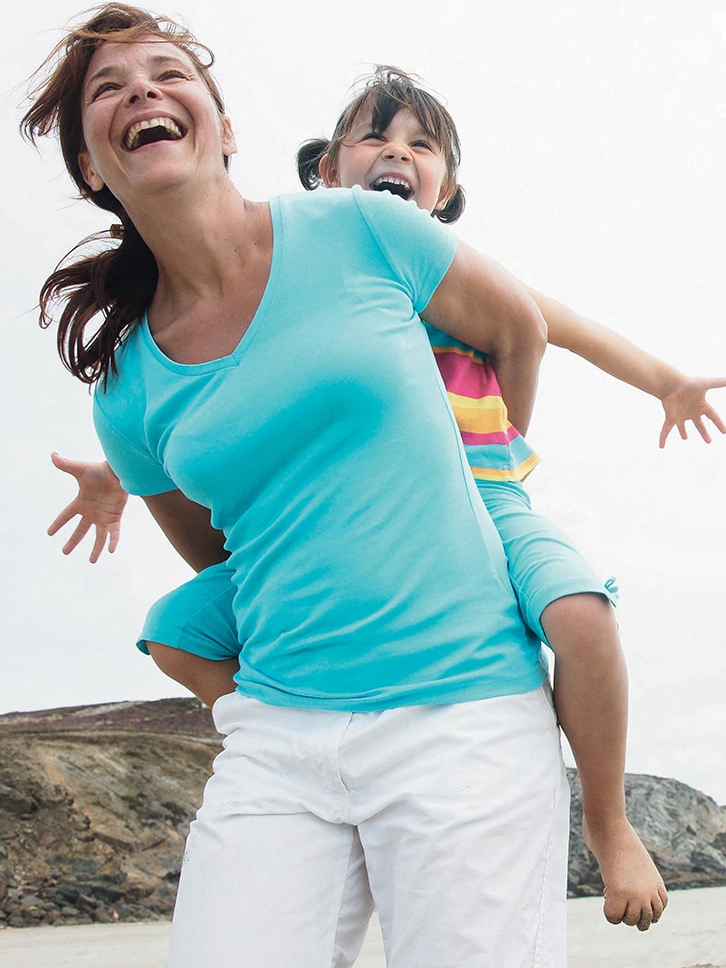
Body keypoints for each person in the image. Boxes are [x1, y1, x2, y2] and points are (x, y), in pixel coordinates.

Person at [49, 66, 726, 931]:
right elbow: (216, 415)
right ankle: (249, 715)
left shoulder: (425, 261)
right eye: (374, 139)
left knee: (584, 615)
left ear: (447, 190)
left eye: (421, 145)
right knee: (173, 630)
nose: (397, 154)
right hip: (306, 607)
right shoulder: (305, 277)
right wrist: (114, 477)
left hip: (479, 495)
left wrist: (660, 386)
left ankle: (608, 822)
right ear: (325, 170)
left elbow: (550, 328)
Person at [25, 3, 570, 967]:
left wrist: (480, 477)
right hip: (281, 734)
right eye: (108, 90)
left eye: (168, 72)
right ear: (88, 165)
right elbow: (227, 553)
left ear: (223, 127)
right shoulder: (127, 391)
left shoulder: (363, 229)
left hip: (465, 711)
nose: (143, 91)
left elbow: (516, 328)